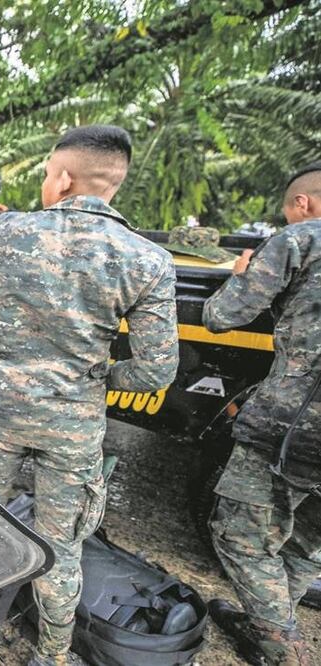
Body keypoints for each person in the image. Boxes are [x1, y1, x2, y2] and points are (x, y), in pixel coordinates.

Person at [0, 125, 180, 665]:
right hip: (73, 423)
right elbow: (158, 370)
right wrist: (95, 377)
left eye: (48, 174)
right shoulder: (146, 260)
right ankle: (51, 655)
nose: (47, 182)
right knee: (62, 546)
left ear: (64, 179)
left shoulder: (6, 233)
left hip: (0, 411)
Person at [203, 163, 321, 666]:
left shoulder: (301, 239)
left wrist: (242, 278)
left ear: (304, 204)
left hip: (296, 426)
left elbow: (222, 315)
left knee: (237, 532)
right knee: (306, 535)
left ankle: (281, 645)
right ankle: (265, 622)